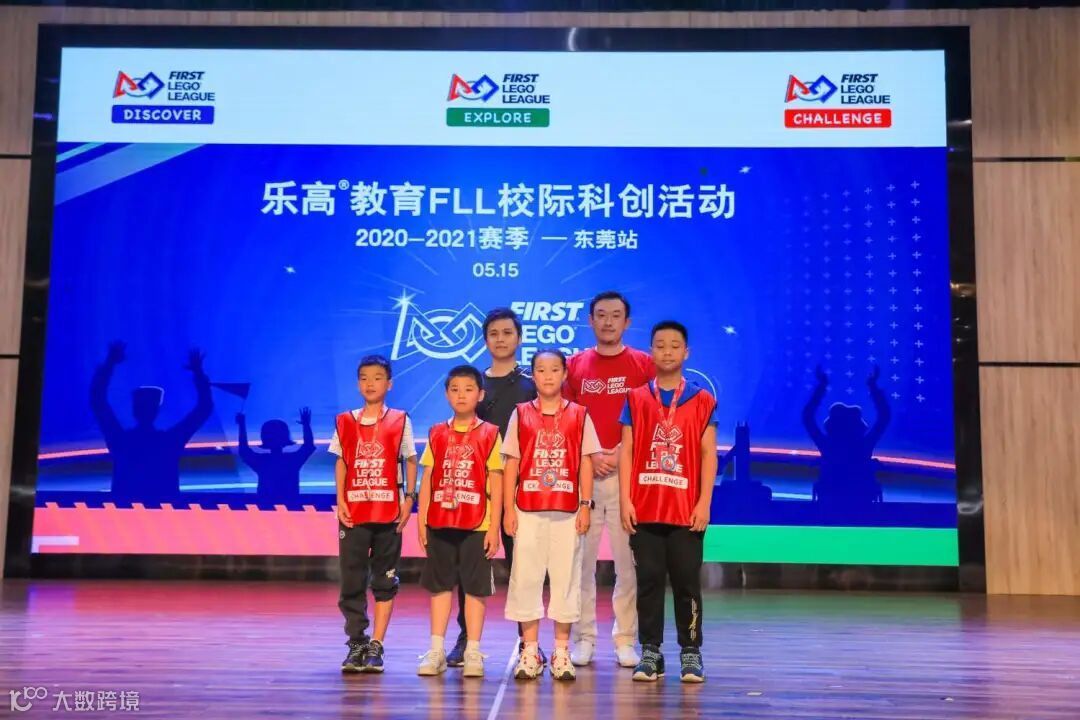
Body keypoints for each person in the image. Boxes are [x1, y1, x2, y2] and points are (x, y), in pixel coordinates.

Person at [619, 321, 718, 683]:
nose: (667, 352)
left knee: (687, 582)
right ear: (651, 352)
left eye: (675, 346)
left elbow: (708, 454)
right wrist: (625, 500)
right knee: (647, 581)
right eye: (660, 345)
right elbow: (626, 451)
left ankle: (691, 651)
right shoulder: (635, 397)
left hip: (685, 510)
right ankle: (651, 651)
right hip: (645, 508)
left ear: (686, 353)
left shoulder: (702, 400)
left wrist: (704, 502)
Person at [564, 291, 654, 668]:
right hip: (584, 478)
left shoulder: (644, 365)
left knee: (627, 566)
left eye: (616, 315)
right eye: (601, 315)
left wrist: (621, 453)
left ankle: (625, 639)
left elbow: (653, 417)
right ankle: (584, 638)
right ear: (590, 320)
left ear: (627, 322)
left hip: (626, 481)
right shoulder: (574, 366)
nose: (608, 322)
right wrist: (591, 455)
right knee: (580, 565)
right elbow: (565, 418)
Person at [446, 308, 538, 668]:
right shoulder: (473, 384)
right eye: (494, 334)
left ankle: (528, 642)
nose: (501, 339)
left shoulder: (532, 383)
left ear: (519, 338)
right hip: (477, 491)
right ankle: (466, 637)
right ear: (485, 340)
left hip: (519, 491)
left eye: (507, 333)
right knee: (469, 569)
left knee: (523, 569)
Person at [503, 349, 600, 681]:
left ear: (564, 374)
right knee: (526, 578)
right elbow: (511, 462)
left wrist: (586, 504)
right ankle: (530, 651)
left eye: (554, 369)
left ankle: (561, 651)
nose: (548, 376)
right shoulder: (520, 414)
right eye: (541, 370)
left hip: (567, 511)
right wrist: (508, 509)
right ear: (533, 375)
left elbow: (586, 461)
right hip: (528, 510)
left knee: (566, 580)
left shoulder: (579, 414)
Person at [329, 355, 417, 673]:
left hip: (388, 513)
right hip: (354, 514)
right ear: (358, 384)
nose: (370, 383)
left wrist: (409, 499)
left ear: (389, 384)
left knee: (384, 581)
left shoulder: (400, 420)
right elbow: (341, 461)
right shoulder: (345, 421)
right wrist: (340, 499)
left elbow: (410, 460)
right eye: (364, 378)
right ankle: (357, 642)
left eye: (378, 377)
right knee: (352, 581)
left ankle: (376, 644)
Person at [416, 365, 504, 678]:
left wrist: (494, 527)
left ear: (480, 394)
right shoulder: (437, 432)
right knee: (439, 587)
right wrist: (422, 520)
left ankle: (473, 651)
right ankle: (436, 650)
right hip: (440, 522)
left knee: (475, 589)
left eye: (468, 389)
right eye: (454, 389)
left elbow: (496, 482)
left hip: (476, 524)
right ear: (446, 394)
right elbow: (428, 479)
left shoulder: (490, 433)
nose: (461, 395)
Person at [90, 341, 213, 501]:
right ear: (156, 411)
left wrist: (109, 364)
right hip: (163, 513)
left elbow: (98, 401)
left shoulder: (121, 440)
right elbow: (204, 409)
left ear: (134, 409)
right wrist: (198, 373)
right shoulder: (169, 441)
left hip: (125, 512)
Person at [236, 408, 316, 499]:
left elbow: (244, 450)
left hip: (266, 504)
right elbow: (308, 446)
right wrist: (306, 425)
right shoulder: (292, 460)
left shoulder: (261, 461)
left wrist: (241, 425)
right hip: (289, 503)